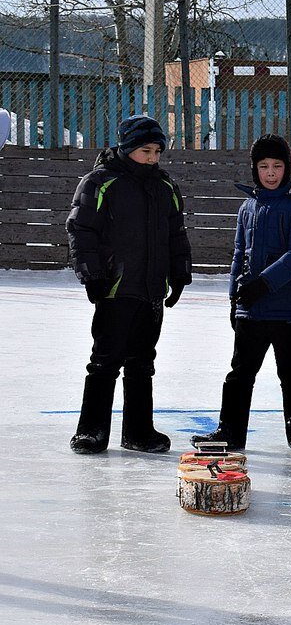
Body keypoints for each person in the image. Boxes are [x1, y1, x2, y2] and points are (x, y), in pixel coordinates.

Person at [66, 115, 191, 454]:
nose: (152, 158)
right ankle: (91, 431)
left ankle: (138, 431)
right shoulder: (100, 182)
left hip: (151, 290)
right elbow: (81, 230)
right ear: (126, 147)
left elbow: (176, 235)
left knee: (141, 363)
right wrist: (92, 275)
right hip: (115, 288)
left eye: (157, 151)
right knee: (105, 362)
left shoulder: (165, 187)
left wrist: (179, 274)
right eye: (145, 150)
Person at [192, 134, 291, 453]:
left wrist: (263, 283)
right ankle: (229, 432)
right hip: (250, 308)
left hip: (287, 308)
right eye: (264, 166)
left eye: (277, 166)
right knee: (240, 373)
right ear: (255, 169)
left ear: (287, 168)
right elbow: (239, 254)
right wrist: (234, 299)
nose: (271, 173)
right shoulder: (247, 207)